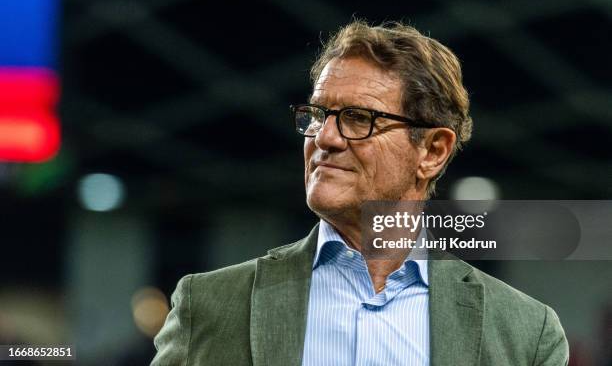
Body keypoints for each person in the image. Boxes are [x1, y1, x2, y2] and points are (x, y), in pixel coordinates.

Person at [151, 21, 569, 365]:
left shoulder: (526, 334)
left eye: (358, 118)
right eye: (317, 115)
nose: (325, 137)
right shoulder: (208, 305)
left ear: (432, 151)